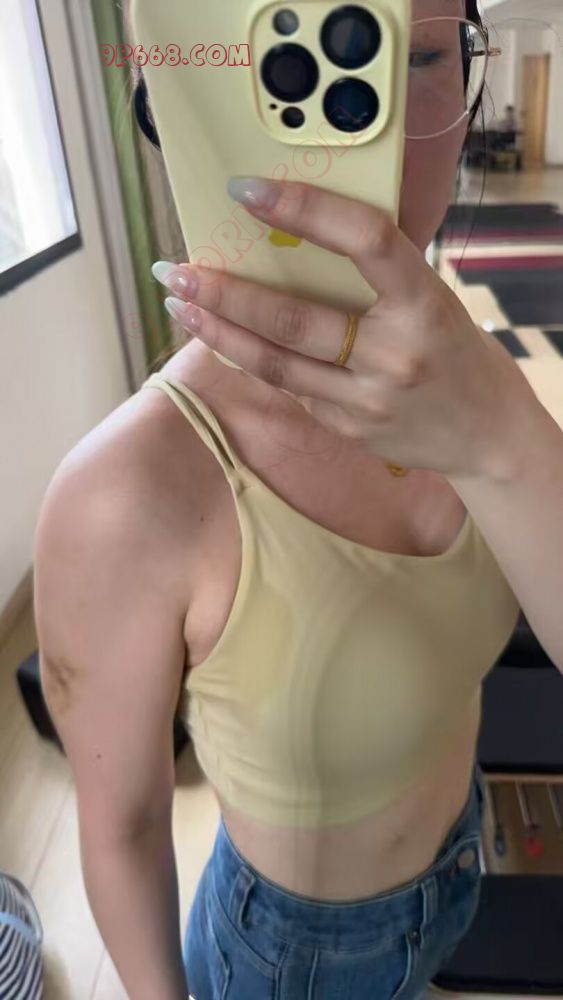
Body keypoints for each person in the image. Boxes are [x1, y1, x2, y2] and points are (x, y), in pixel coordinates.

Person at [34, 2, 547, 998]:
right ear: (175, 97)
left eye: (421, 54)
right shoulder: (124, 496)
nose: (373, 131)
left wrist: (504, 435)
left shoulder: (485, 389)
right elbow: (122, 827)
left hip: (461, 859)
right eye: (298, 53)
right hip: (293, 959)